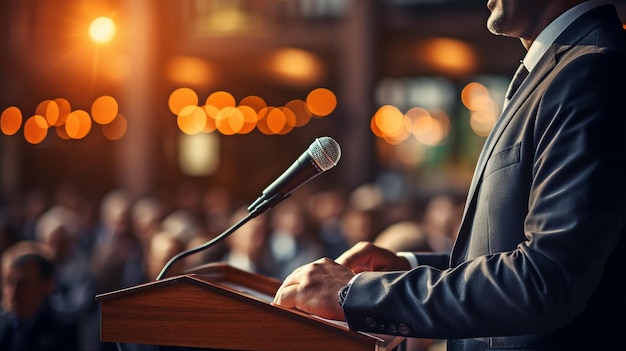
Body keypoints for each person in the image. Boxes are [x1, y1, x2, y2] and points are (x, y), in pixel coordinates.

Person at [272, 1, 626, 350]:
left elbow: (547, 279)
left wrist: (355, 294)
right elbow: (522, 254)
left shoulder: (591, 70)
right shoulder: (566, 67)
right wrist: (405, 268)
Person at [0, 241, 79, 351]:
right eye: (9, 282)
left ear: (47, 286)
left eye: (24, 283)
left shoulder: (63, 332)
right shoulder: (3, 325)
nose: (14, 291)